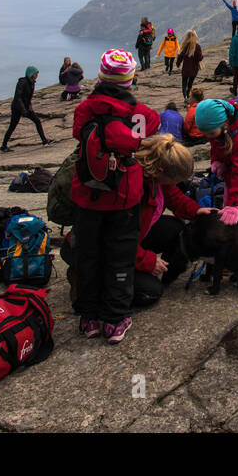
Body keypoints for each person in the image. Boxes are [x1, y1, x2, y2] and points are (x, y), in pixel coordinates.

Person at [70, 50, 160, 345]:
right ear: (131, 80)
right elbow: (153, 126)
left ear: (99, 78)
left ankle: (89, 317)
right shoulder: (140, 114)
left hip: (88, 195)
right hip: (124, 196)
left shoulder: (85, 110)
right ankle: (115, 320)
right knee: (120, 255)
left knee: (88, 255)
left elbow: (77, 133)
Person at [129, 135, 216, 307]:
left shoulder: (156, 176)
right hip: (111, 248)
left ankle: (163, 268)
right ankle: (89, 279)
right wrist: (147, 261)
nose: (176, 184)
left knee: (175, 227)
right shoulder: (134, 188)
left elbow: (175, 198)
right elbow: (117, 237)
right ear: (162, 171)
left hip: (135, 238)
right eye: (175, 180)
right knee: (150, 293)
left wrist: (197, 210)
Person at [194, 98, 238, 228]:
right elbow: (215, 146)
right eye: (205, 134)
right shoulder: (217, 131)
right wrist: (216, 161)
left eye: (210, 133)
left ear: (224, 123)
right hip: (230, 169)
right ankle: (230, 213)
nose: (209, 137)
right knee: (228, 198)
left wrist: (233, 205)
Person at [0, 66, 51, 151]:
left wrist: (29, 108)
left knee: (37, 121)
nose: (37, 75)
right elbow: (18, 97)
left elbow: (28, 98)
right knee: (12, 126)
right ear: (31, 73)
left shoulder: (32, 82)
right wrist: (23, 110)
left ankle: (44, 141)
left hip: (26, 107)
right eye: (35, 73)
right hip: (17, 108)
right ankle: (3, 146)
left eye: (37, 73)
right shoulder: (22, 82)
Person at [178, 30, 203, 102]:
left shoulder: (185, 46)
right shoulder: (197, 46)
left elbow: (180, 56)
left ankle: (185, 97)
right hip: (194, 69)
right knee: (190, 84)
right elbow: (200, 58)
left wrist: (178, 63)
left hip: (186, 69)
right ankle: (188, 95)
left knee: (184, 84)